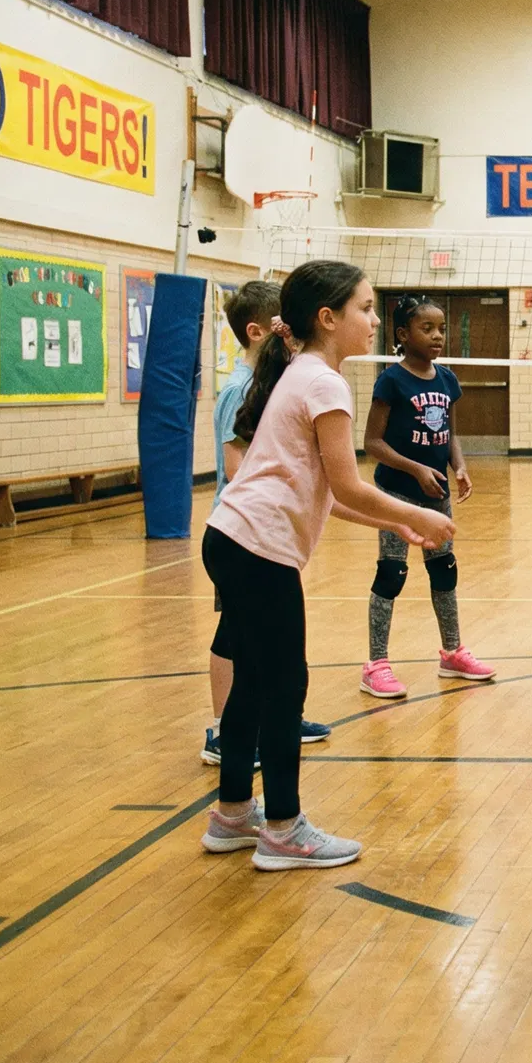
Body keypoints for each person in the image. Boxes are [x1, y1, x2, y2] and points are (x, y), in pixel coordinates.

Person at [203, 261, 454, 870]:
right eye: (366, 309)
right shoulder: (324, 383)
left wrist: (391, 523)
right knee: (285, 687)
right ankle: (284, 829)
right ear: (328, 318)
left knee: (253, 685)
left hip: (229, 537)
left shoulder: (304, 374)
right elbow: (349, 482)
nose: (374, 321)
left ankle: (233, 814)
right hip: (257, 548)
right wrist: (420, 516)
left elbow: (331, 494)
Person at [205, 280, 331, 764]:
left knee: (267, 640)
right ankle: (222, 727)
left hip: (270, 533)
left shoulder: (277, 383)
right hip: (242, 531)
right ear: (260, 331)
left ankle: (279, 715)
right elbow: (239, 467)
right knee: (233, 632)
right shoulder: (240, 388)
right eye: (284, 324)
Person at [360, 295, 494, 698]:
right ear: (403, 334)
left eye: (441, 329)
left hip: (436, 495)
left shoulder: (447, 379)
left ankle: (452, 653)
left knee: (444, 569)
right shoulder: (391, 381)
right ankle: (376, 664)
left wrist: (461, 467)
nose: (437, 336)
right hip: (396, 494)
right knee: (392, 572)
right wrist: (415, 469)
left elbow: (450, 434)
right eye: (427, 329)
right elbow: (372, 443)